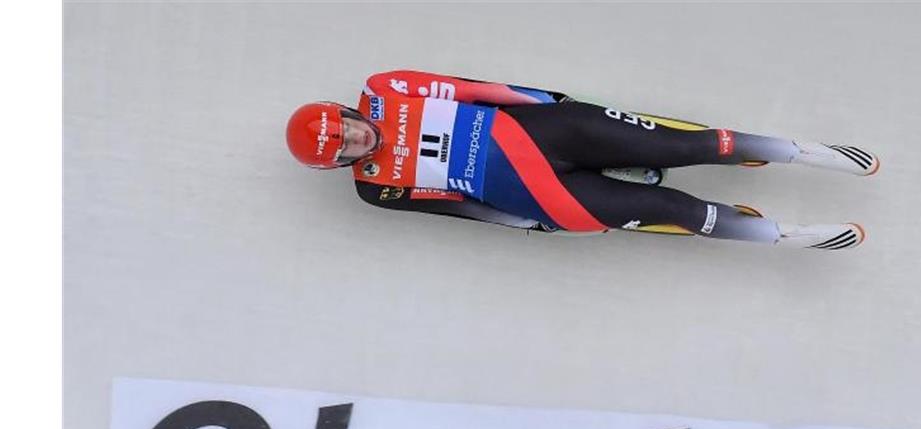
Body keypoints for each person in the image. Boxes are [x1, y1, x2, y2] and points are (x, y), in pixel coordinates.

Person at [285, 69, 879, 250]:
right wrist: (525, 221)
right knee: (664, 207)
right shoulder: (373, 187)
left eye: (346, 129)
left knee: (677, 145)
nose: (355, 141)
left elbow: (473, 90)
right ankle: (776, 233)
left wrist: (545, 103)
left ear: (349, 111)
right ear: (339, 164)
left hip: (546, 132)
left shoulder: (388, 88)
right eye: (341, 149)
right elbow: (454, 208)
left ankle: (790, 152)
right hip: (535, 196)